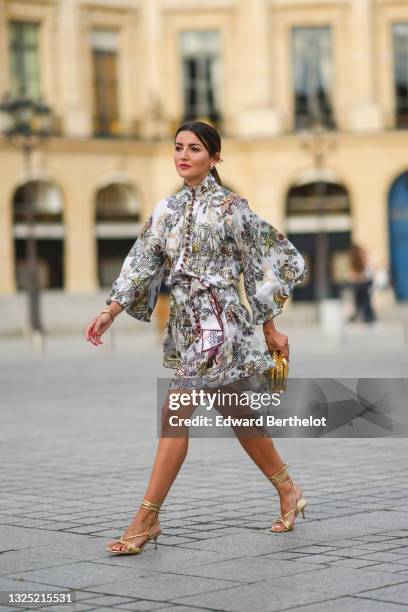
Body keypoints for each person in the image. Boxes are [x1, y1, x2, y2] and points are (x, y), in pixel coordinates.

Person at [85, 121, 310, 554]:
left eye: (194, 149)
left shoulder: (232, 208)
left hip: (220, 322)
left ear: (214, 158)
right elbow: (142, 263)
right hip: (188, 322)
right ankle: (288, 491)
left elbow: (270, 261)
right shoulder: (166, 209)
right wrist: (110, 311)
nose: (183, 155)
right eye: (178, 147)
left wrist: (269, 326)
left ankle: (146, 517)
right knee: (238, 413)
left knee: (174, 409)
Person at [348, 243, 377, 323]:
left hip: (364, 283)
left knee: (364, 299)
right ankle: (364, 315)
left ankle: (367, 315)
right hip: (361, 283)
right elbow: (352, 274)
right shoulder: (355, 259)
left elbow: (368, 272)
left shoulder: (362, 257)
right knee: (361, 299)